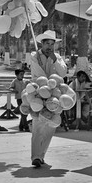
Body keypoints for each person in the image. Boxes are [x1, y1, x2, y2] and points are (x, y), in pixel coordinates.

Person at [29, 29, 68, 168]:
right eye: (47, 44)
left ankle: (41, 155)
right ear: (42, 44)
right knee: (38, 125)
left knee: (50, 126)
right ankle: (36, 156)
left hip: (55, 95)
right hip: (39, 93)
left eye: (52, 44)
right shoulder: (35, 56)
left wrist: (54, 60)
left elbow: (63, 72)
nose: (50, 47)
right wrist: (47, 86)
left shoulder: (57, 57)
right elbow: (39, 76)